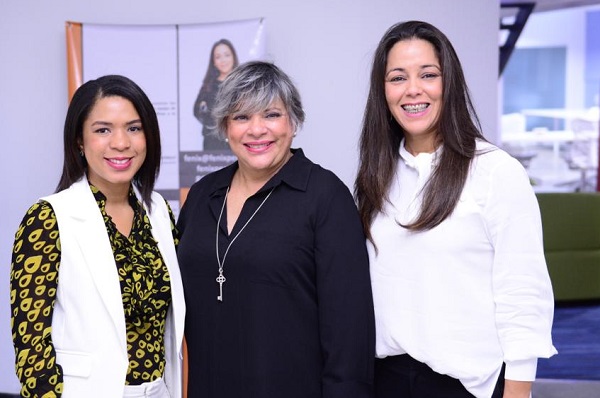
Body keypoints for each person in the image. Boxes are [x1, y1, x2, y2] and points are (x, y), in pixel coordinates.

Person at [354, 21, 557, 398]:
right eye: (397, 78)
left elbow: (523, 293)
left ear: (450, 83)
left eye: (428, 75)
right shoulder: (376, 176)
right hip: (386, 380)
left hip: (469, 386)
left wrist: (518, 390)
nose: (413, 89)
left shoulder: (496, 171)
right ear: (382, 91)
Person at [177, 61, 375, 398]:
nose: (257, 130)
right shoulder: (201, 195)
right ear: (225, 127)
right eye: (241, 117)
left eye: (271, 114)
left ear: (294, 122)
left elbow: (349, 331)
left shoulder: (325, 197)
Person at [9, 75, 186, 398]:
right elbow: (31, 346)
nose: (121, 143)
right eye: (103, 129)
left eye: (133, 128)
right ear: (79, 140)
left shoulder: (159, 211)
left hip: (159, 391)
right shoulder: (48, 217)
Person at [193, 38, 239, 151]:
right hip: (212, 142)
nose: (223, 60)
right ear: (213, 61)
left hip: (238, 140)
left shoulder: (243, 84)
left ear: (233, 56)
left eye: (227, 55)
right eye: (218, 57)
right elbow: (197, 111)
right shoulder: (208, 85)